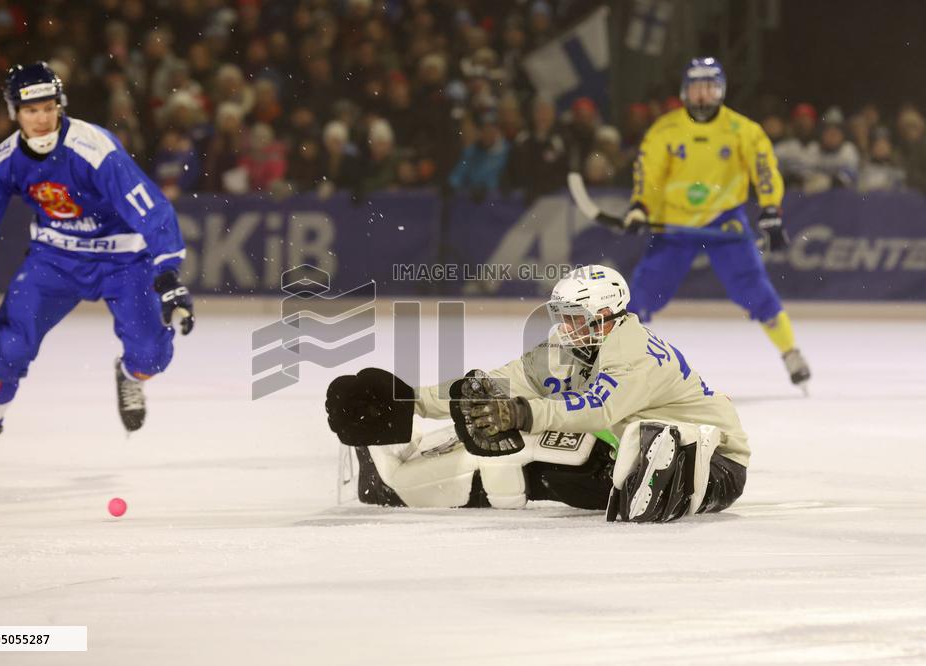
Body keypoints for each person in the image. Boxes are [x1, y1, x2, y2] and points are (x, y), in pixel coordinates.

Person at [0, 62, 194, 472]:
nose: (41, 118)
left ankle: (130, 375)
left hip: (123, 260)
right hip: (55, 261)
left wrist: (169, 270)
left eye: (48, 107)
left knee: (151, 355)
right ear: (14, 112)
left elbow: (150, 207)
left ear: (60, 105)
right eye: (31, 110)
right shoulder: (5, 159)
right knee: (10, 343)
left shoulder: (96, 149)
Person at [327, 265, 749, 523]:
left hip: (718, 465)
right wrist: (412, 402)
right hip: (630, 448)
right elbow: (500, 383)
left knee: (571, 435)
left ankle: (663, 468)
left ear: (605, 318)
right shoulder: (574, 347)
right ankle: (647, 476)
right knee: (543, 461)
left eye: (574, 318)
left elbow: (598, 409)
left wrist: (523, 414)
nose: (565, 327)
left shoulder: (634, 353)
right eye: (561, 317)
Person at [622, 57, 810, 389]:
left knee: (754, 289)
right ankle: (623, 363)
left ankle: (790, 351)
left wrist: (770, 209)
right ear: (684, 92)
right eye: (697, 89)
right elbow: (648, 173)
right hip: (673, 223)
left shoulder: (743, 130)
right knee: (643, 294)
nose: (703, 97)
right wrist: (640, 206)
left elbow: (764, 170)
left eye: (709, 89)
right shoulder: (665, 130)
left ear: (721, 91)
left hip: (724, 223)